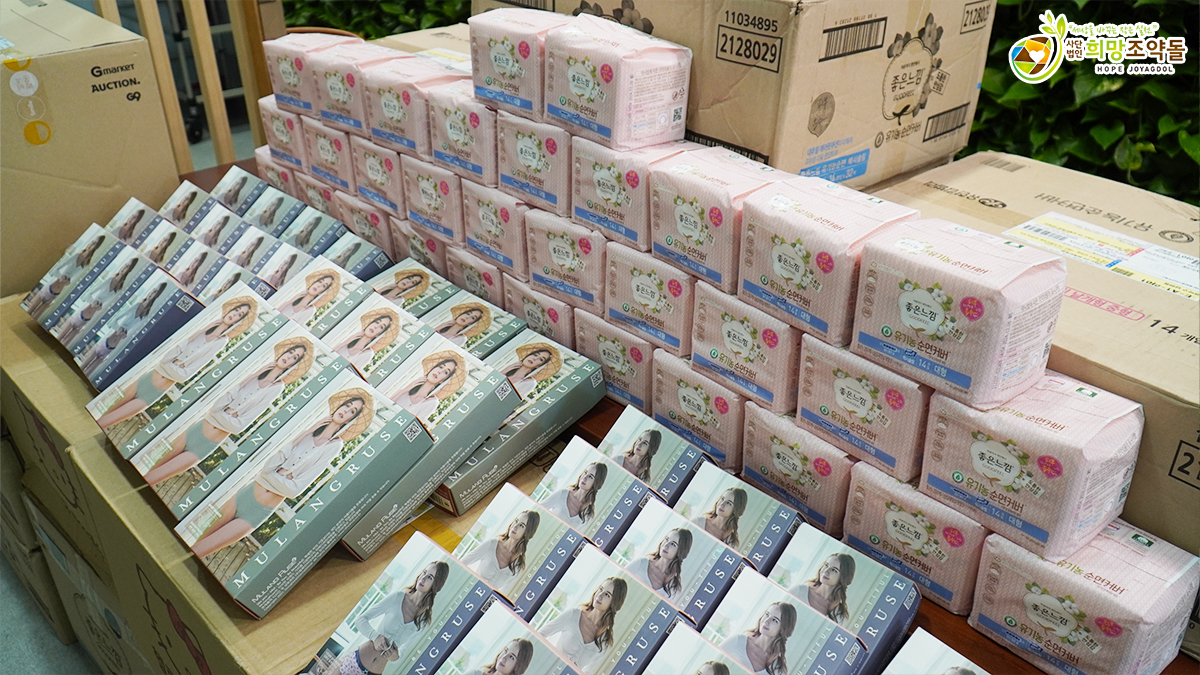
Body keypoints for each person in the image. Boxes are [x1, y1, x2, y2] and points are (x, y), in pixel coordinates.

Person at [190, 387, 374, 559]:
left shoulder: (334, 446)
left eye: (352, 412)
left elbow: (295, 490)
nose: (346, 411)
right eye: (347, 405)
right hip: (245, 494)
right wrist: (305, 436)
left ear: (350, 420)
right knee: (192, 547)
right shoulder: (308, 432)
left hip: (257, 511)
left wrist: (276, 474)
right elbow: (268, 466)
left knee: (199, 552)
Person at [141, 338, 313, 487]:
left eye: (294, 358)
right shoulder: (256, 370)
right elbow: (217, 404)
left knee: (152, 479)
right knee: (145, 471)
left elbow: (239, 426)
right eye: (290, 352)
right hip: (199, 427)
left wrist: (225, 412)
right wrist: (252, 378)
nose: (289, 357)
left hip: (208, 442)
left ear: (293, 365)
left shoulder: (276, 388)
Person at [95, 297, 257, 429]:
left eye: (240, 315)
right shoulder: (205, 321)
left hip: (159, 387)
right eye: (236, 310)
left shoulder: (221, 342)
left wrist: (174, 364)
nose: (235, 314)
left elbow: (188, 372)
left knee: (105, 422)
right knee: (99, 413)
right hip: (150, 373)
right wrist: (199, 333)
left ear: (238, 321)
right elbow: (169, 352)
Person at [329, 560, 450, 675]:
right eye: (424, 572)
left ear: (436, 585)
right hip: (355, 661)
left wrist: (395, 657)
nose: (423, 578)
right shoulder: (397, 597)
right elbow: (360, 620)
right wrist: (375, 637)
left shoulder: (423, 622)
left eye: (430, 577)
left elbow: (402, 654)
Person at [540, 577, 627, 673]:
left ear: (614, 603)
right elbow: (540, 635)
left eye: (607, 594)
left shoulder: (605, 641)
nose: (599, 595)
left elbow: (588, 672)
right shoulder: (573, 615)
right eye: (601, 589)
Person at [78, 282, 167, 375]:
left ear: (157, 296)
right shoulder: (136, 306)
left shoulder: (145, 315)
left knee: (88, 372)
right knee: (84, 365)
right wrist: (118, 328)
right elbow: (115, 319)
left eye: (155, 292)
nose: (151, 293)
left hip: (113, 348)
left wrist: (125, 336)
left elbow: (133, 332)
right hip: (107, 340)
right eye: (153, 290)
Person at [460, 510, 540, 593]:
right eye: (516, 521)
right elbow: (462, 563)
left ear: (528, 532)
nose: (515, 526)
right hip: (467, 592)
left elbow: (503, 594)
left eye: (521, 525)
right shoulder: (491, 545)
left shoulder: (518, 565)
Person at [388, 350, 467, 422]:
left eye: (445, 372)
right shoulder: (410, 387)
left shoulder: (432, 402)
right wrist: (404, 390)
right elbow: (386, 405)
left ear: (443, 380)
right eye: (440, 367)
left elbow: (413, 424)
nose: (439, 371)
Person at [720, 603, 796, 675]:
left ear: (783, 629)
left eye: (774, 620)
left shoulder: (777, 668)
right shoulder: (737, 641)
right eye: (767, 614)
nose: (766, 621)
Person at [788, 553, 855, 626]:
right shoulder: (798, 591)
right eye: (826, 565)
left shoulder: (839, 615)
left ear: (843, 577)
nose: (826, 571)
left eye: (833, 570)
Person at [627, 528, 691, 599]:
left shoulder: (673, 587)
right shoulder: (641, 564)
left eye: (673, 544)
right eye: (666, 539)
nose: (666, 545)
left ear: (680, 551)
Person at [332, 308, 401, 373]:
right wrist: (345, 343)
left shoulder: (368, 354)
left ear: (379, 334)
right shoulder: (350, 337)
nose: (376, 326)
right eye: (377, 322)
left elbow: (350, 373)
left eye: (381, 327)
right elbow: (330, 353)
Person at [541, 462, 606, 528]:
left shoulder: (587, 514)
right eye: (585, 472)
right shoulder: (562, 494)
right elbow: (539, 509)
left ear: (597, 483)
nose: (584, 477)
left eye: (590, 476)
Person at [464, 639, 535, 675]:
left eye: (511, 657)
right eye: (506, 650)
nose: (504, 657)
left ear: (518, 666)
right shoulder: (475, 673)